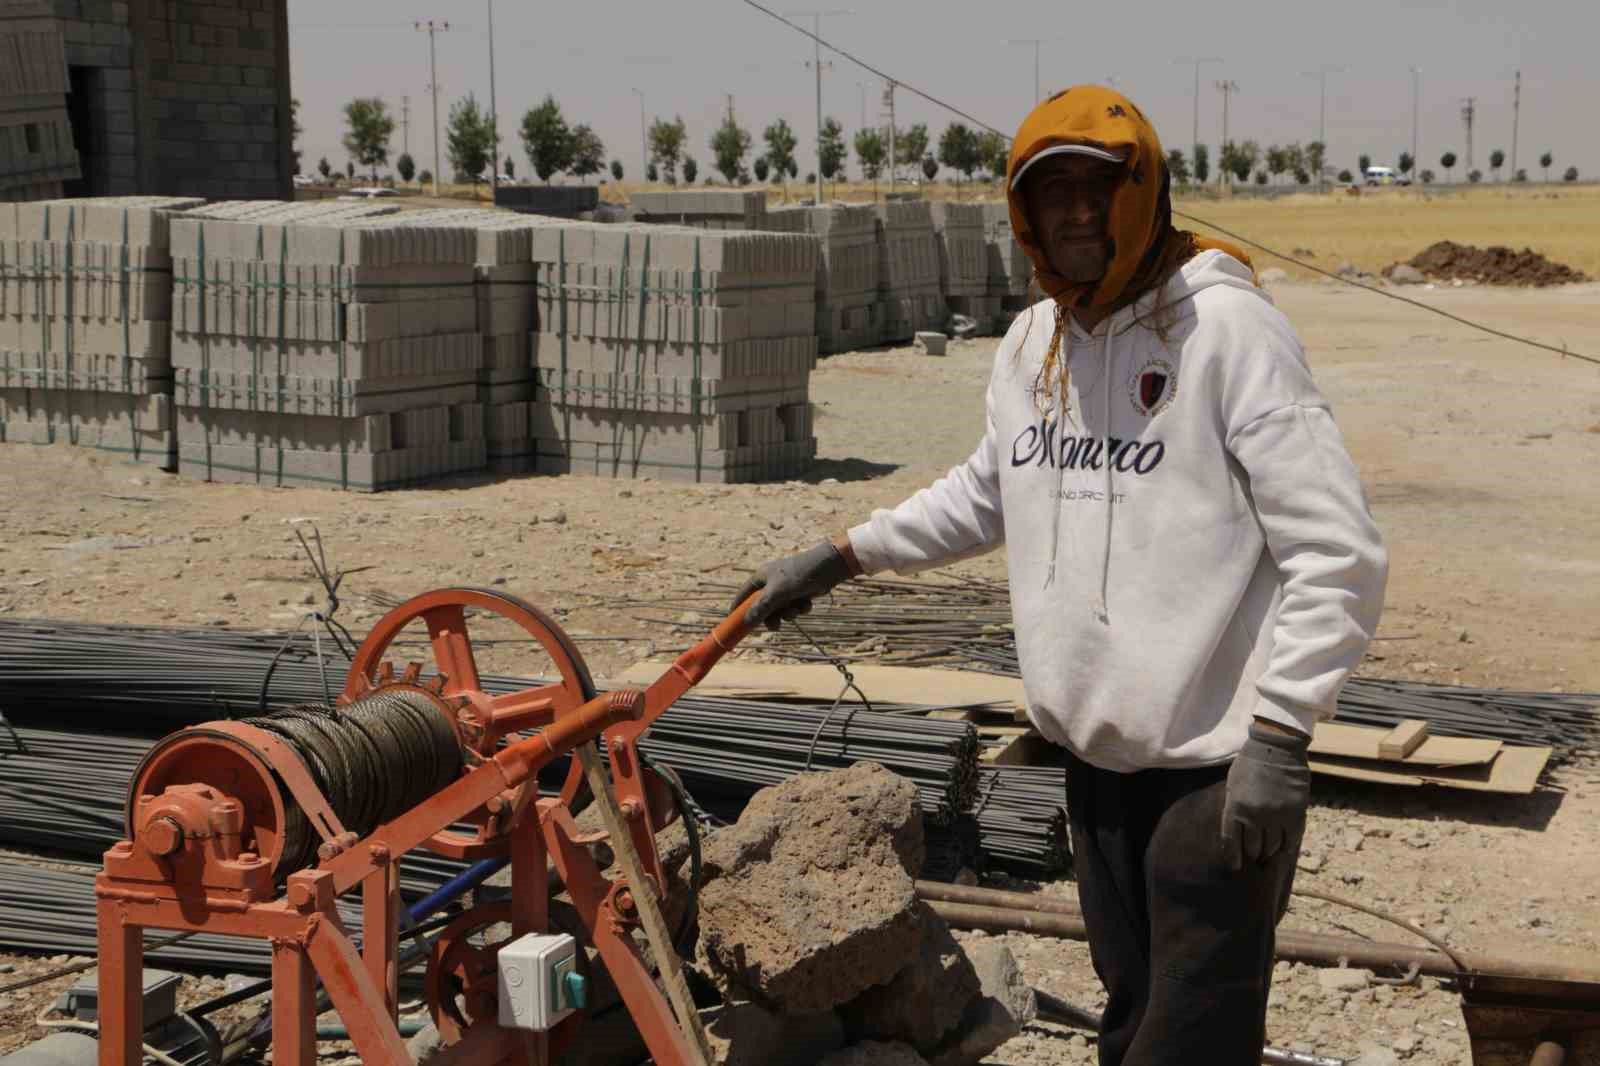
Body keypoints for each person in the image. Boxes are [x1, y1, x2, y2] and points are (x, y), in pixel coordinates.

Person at [733, 85, 1387, 1066]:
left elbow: (1336, 549)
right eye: (1052, 193)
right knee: (1131, 1010)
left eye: (1098, 188)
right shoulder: (1035, 342)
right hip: (1096, 765)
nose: (1077, 213)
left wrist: (1282, 735)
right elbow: (988, 491)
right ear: (1023, 214)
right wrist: (842, 553)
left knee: (1190, 1038)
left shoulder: (1226, 332)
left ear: (1144, 193)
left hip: (1212, 773)